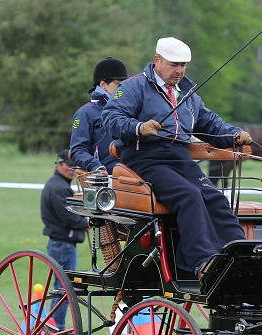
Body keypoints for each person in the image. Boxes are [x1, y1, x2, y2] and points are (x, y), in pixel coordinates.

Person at [102, 37, 251, 286]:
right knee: (189, 195)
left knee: (214, 197)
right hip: (145, 158)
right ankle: (202, 261)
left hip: (179, 157)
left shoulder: (187, 94)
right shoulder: (133, 87)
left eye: (183, 66)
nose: (179, 71)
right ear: (157, 61)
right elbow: (111, 117)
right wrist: (138, 127)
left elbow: (209, 123)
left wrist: (233, 135)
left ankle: (240, 254)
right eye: (174, 65)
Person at [40, 150, 89, 329]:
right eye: (68, 166)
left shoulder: (57, 184)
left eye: (74, 166)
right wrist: (86, 222)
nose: (72, 169)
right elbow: (68, 217)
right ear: (58, 164)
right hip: (63, 244)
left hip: (60, 243)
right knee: (64, 288)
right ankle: (57, 327)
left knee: (61, 286)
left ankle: (55, 325)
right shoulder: (59, 187)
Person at [70, 57, 129, 173]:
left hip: (131, 173)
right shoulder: (85, 113)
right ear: (103, 84)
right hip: (104, 177)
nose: (123, 89)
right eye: (118, 84)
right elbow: (78, 150)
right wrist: (96, 167)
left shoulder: (129, 110)